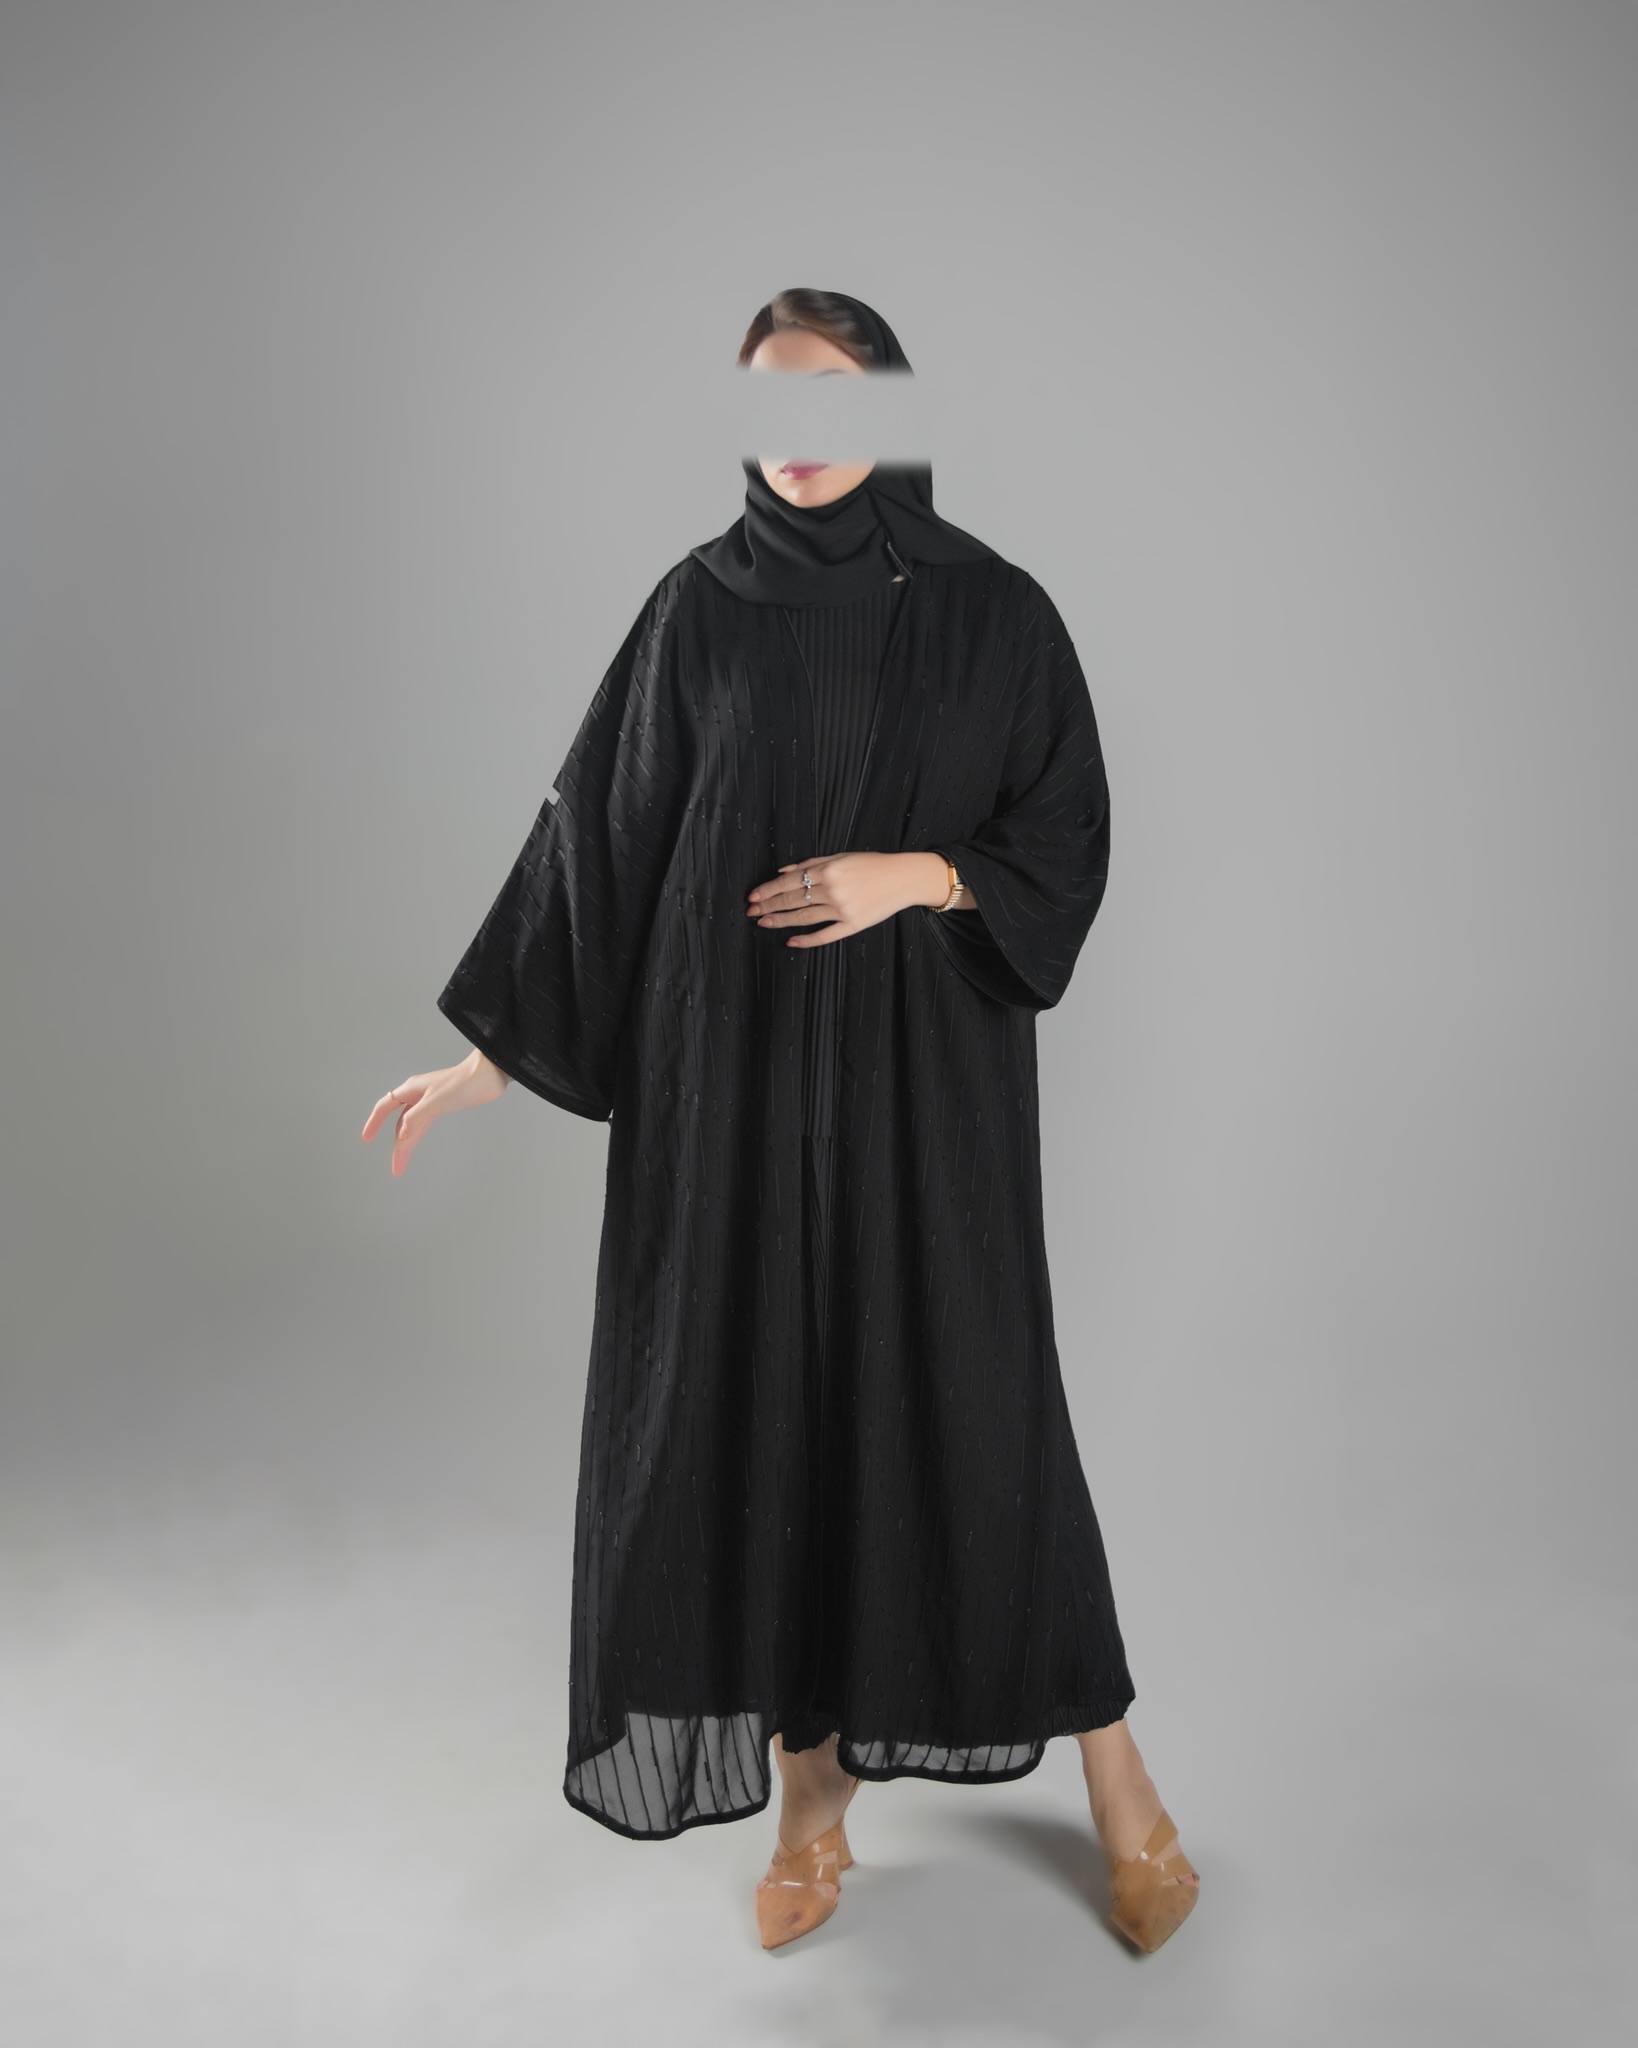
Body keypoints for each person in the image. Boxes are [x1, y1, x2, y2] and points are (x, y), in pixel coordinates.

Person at [363, 289, 1200, 1954]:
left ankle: (1125, 1789)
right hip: (727, 1100)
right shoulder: (699, 609)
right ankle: (812, 1814)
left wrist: (921, 875)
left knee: (979, 1422)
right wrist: (492, 1057)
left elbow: (1067, 830)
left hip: (925, 1101)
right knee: (767, 1428)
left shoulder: (995, 614)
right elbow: (600, 838)